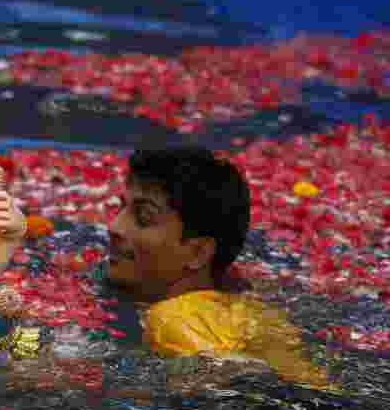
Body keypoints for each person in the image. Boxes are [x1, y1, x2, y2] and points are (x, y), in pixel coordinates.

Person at [106, 147, 333, 390]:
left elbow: (238, 387)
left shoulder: (173, 319)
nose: (114, 226)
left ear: (198, 252)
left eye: (143, 217)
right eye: (121, 208)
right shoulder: (250, 308)